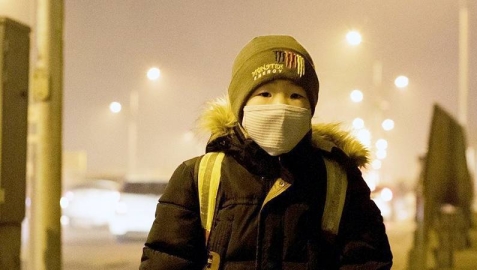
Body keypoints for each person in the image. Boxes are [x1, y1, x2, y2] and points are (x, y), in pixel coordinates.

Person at [140, 35, 393, 269]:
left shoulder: (339, 181)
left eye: (295, 95)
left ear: (310, 107)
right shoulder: (198, 178)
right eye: (265, 93)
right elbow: (165, 261)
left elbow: (366, 262)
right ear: (242, 104)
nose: (281, 106)